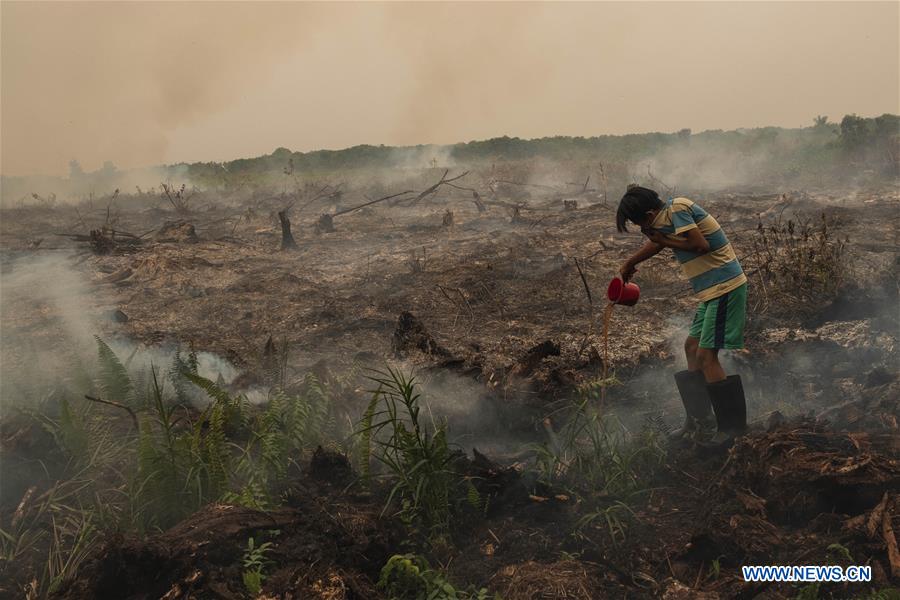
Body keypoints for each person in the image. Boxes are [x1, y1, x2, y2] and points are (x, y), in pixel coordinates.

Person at [616, 186, 748, 449]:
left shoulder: (677, 209)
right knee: (691, 347)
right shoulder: (665, 218)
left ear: (651, 213)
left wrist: (664, 241)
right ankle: (699, 421)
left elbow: (700, 245)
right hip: (710, 291)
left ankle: (732, 431)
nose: (641, 228)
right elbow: (656, 242)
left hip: (726, 286)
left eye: (640, 223)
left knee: (706, 356)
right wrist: (630, 263)